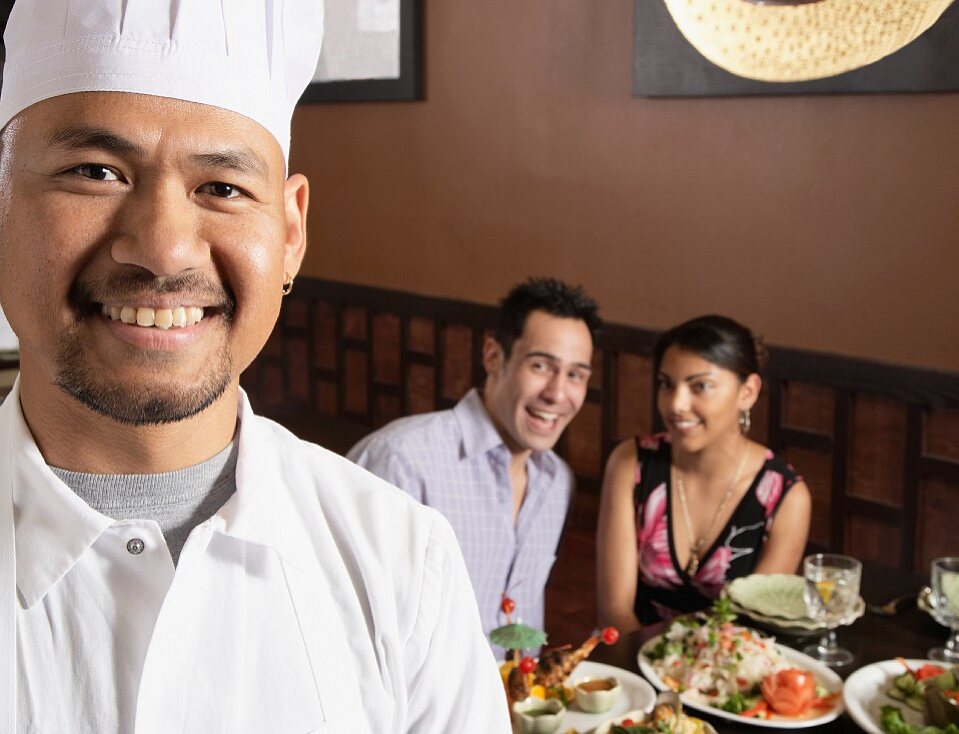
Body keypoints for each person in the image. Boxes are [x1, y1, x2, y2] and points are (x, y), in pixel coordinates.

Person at [0, 1, 507, 731]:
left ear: (292, 233)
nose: (165, 248)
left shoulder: (401, 564)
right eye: (96, 171)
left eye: (223, 188)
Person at [348, 278, 600, 655]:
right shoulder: (402, 461)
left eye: (576, 374)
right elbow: (345, 620)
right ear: (494, 357)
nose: (558, 394)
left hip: (518, 705)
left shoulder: (557, 482)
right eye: (541, 366)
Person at [596, 315, 811, 632]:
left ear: (747, 392)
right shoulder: (632, 463)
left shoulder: (784, 496)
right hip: (632, 660)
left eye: (701, 386)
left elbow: (755, 627)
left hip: (730, 668)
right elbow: (614, 612)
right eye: (666, 384)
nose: (676, 404)